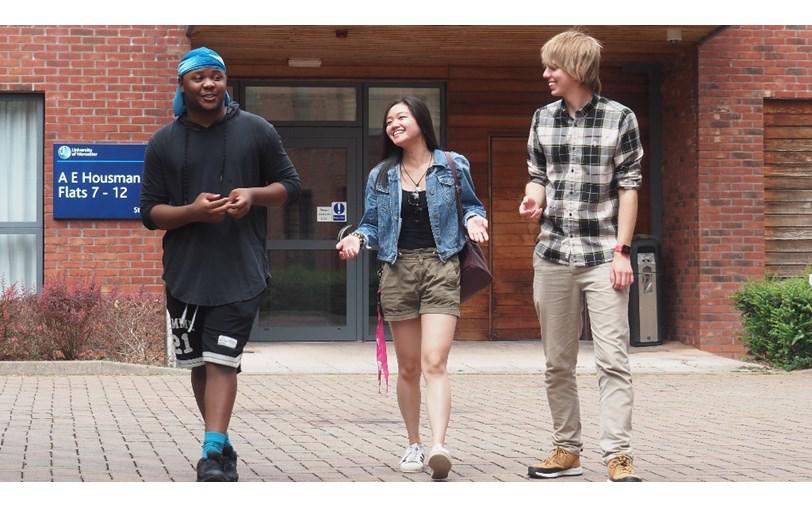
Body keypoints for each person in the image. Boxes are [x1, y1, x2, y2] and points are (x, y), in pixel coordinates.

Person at [139, 47, 301, 482]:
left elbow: (289, 185)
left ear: (226, 82)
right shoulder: (163, 143)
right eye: (198, 79)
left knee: (222, 362)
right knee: (199, 365)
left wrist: (253, 195)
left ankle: (211, 453)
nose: (209, 85)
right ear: (183, 85)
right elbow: (150, 213)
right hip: (185, 274)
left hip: (241, 270)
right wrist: (191, 211)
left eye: (216, 77)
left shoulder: (257, 130)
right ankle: (221, 439)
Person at [336, 96, 488, 480]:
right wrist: (356, 238)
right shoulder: (381, 175)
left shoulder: (452, 165)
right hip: (398, 269)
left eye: (401, 116)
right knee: (407, 367)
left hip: (441, 266)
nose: (393, 124)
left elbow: (473, 205)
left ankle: (439, 445)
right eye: (389, 120)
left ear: (421, 120)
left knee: (434, 361)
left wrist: (474, 221)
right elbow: (370, 223)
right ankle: (413, 443)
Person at [518, 30, 644, 482]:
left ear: (577, 69)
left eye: (554, 66)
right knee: (557, 362)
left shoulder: (619, 118)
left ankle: (618, 455)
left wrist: (622, 252)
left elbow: (629, 188)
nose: (547, 73)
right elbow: (538, 176)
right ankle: (566, 450)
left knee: (613, 359)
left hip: (602, 256)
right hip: (552, 253)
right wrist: (534, 198)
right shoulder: (542, 118)